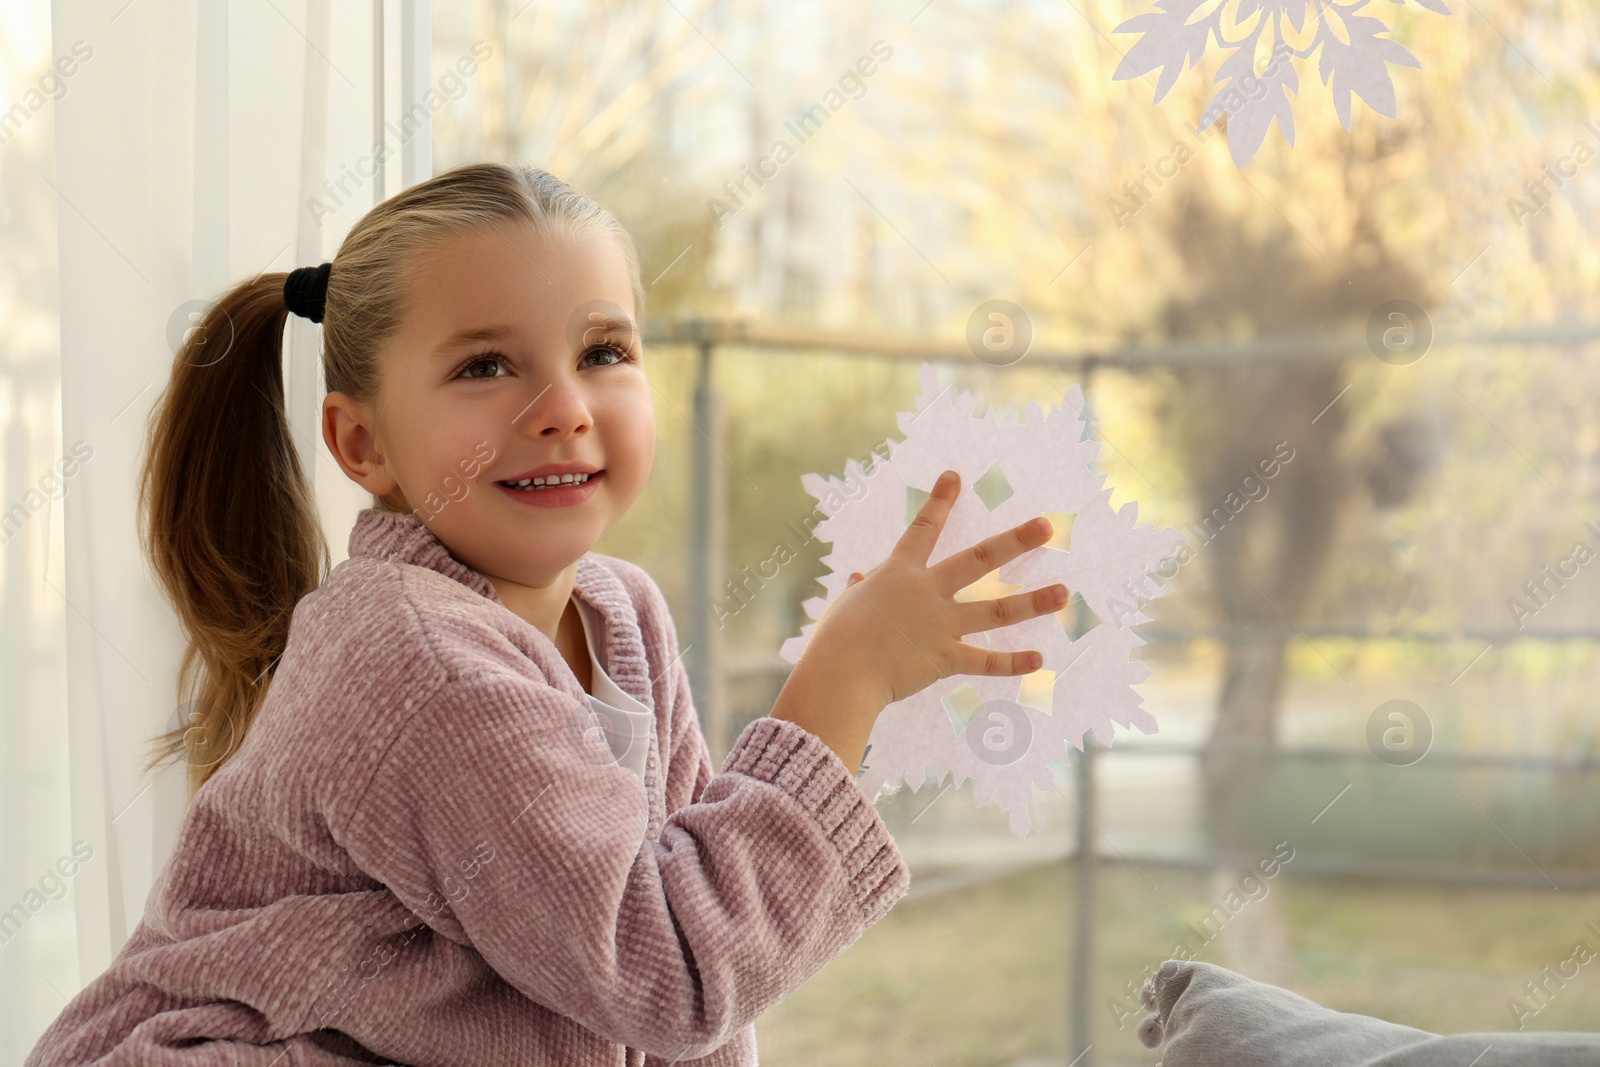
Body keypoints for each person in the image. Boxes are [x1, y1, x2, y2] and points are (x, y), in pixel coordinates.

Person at [24, 160, 1068, 1067]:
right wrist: (844, 686)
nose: (563, 404)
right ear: (363, 446)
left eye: (604, 351)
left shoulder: (622, 612)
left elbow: (687, 988)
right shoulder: (416, 658)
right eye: (486, 365)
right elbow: (666, 963)